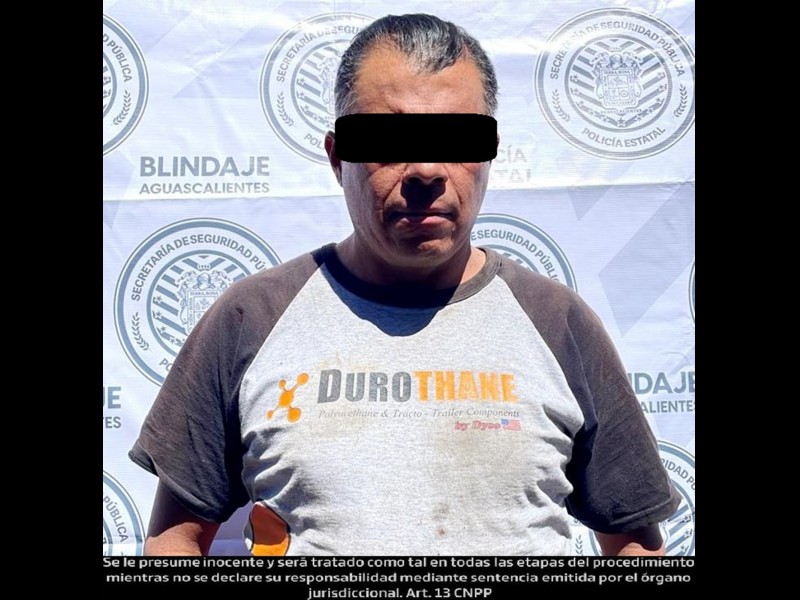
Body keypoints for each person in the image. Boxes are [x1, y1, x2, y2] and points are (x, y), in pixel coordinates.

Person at [130, 13, 679, 557]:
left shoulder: (558, 323)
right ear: (337, 157)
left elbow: (635, 548)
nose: (426, 169)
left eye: (456, 139)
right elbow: (174, 542)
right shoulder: (251, 318)